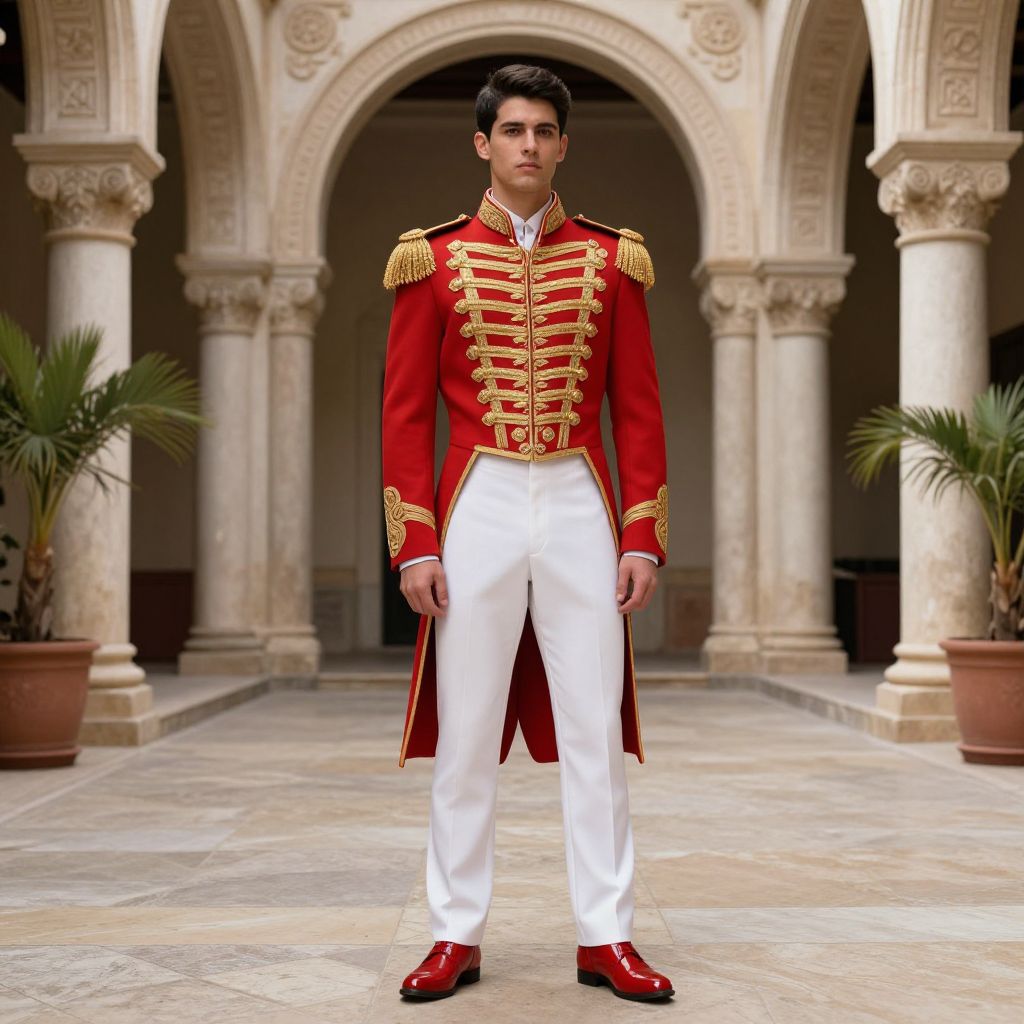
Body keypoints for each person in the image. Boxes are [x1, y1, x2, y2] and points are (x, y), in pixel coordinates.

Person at [380, 63, 673, 1003]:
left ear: (563, 145)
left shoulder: (611, 259)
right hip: (479, 499)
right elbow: (403, 414)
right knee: (467, 733)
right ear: (483, 143)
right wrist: (415, 541)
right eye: (512, 130)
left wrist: (642, 533)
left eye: (544, 130)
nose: (529, 145)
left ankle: (607, 935)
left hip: (582, 499)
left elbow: (638, 408)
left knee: (594, 729)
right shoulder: (431, 259)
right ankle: (454, 933)